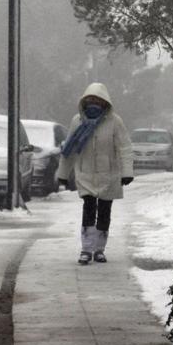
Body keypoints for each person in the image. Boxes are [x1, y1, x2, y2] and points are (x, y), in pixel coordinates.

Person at [56, 82, 134, 265]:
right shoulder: (78, 121)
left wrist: (127, 172)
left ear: (105, 102)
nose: (94, 103)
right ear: (84, 100)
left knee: (105, 211)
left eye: (97, 100)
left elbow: (125, 147)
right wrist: (63, 174)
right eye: (90, 99)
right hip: (85, 173)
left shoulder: (115, 122)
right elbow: (70, 148)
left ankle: (99, 249)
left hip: (109, 175)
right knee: (89, 208)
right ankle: (86, 248)